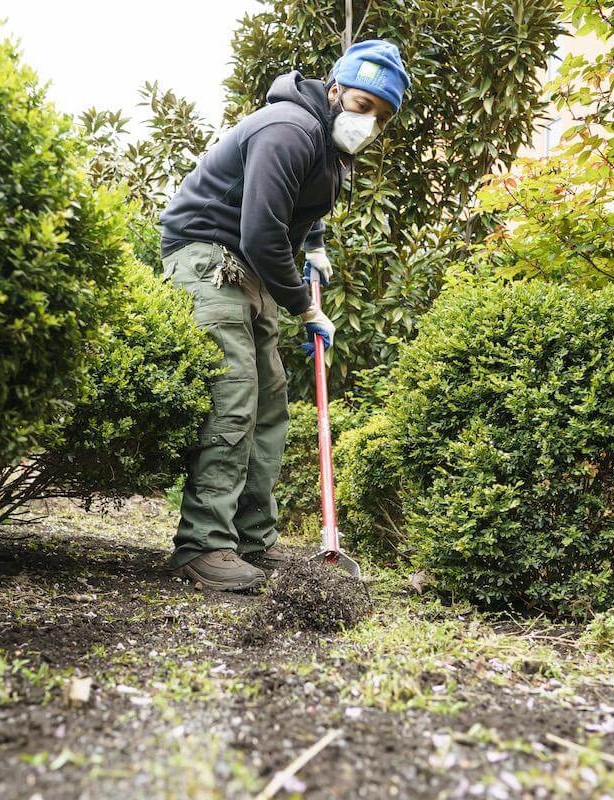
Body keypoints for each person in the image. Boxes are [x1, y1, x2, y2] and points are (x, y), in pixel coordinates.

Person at [160, 40, 411, 591]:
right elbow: (260, 230)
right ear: (338, 88)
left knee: (271, 398)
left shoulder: (325, 144)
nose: (370, 122)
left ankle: (254, 539)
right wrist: (305, 305)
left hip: (249, 268)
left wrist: (315, 242)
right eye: (366, 105)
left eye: (383, 116)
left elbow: (298, 206)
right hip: (209, 254)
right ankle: (204, 545)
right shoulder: (288, 129)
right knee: (235, 394)